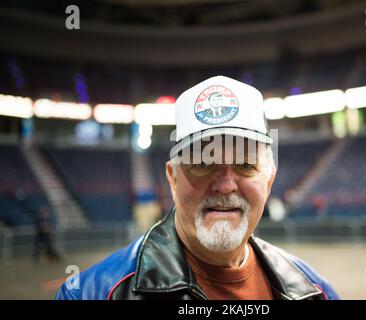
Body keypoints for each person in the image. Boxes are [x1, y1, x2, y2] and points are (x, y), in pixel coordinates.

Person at [56, 75, 338, 300]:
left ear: (269, 179)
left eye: (245, 164)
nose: (226, 186)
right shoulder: (91, 293)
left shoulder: (314, 292)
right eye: (202, 163)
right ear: (172, 178)